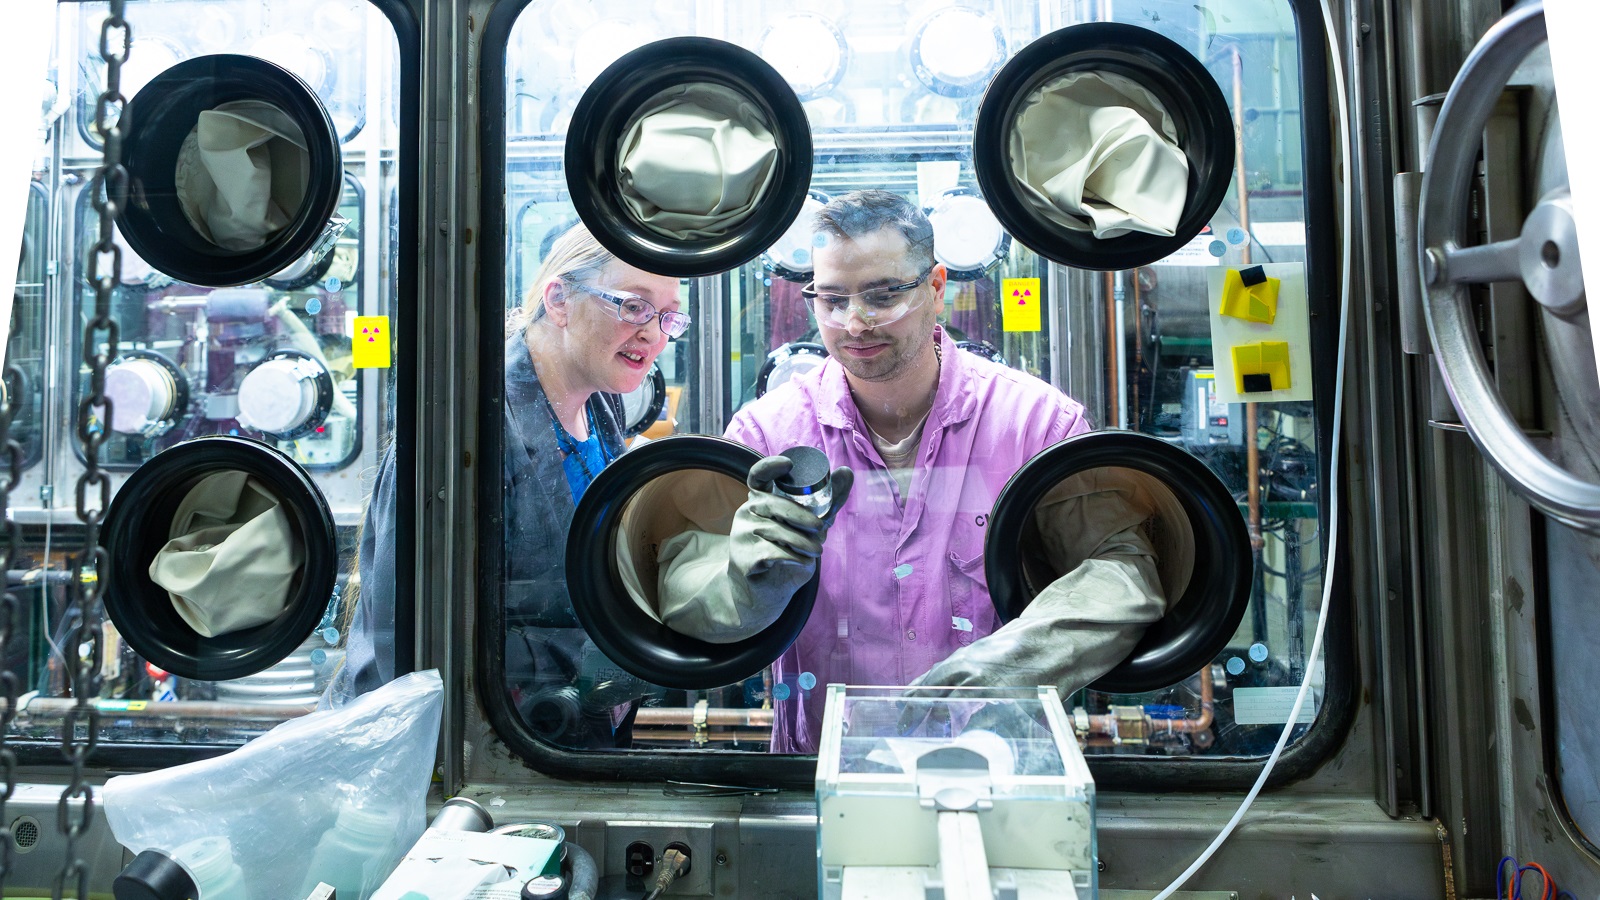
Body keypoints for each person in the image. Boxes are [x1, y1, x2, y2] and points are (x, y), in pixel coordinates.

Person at [655, 190, 1167, 752]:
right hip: (820, 779)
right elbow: (681, 593)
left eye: (882, 296)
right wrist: (741, 585)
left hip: (997, 771)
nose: (854, 323)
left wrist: (1016, 663)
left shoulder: (1034, 425)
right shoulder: (768, 436)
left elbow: (1125, 572)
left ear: (936, 289)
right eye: (831, 300)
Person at [342, 223, 686, 747]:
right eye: (634, 306)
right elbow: (415, 639)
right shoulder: (469, 426)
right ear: (560, 300)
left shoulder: (601, 403)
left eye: (667, 316)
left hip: (557, 742)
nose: (654, 333)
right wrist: (598, 654)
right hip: (460, 751)